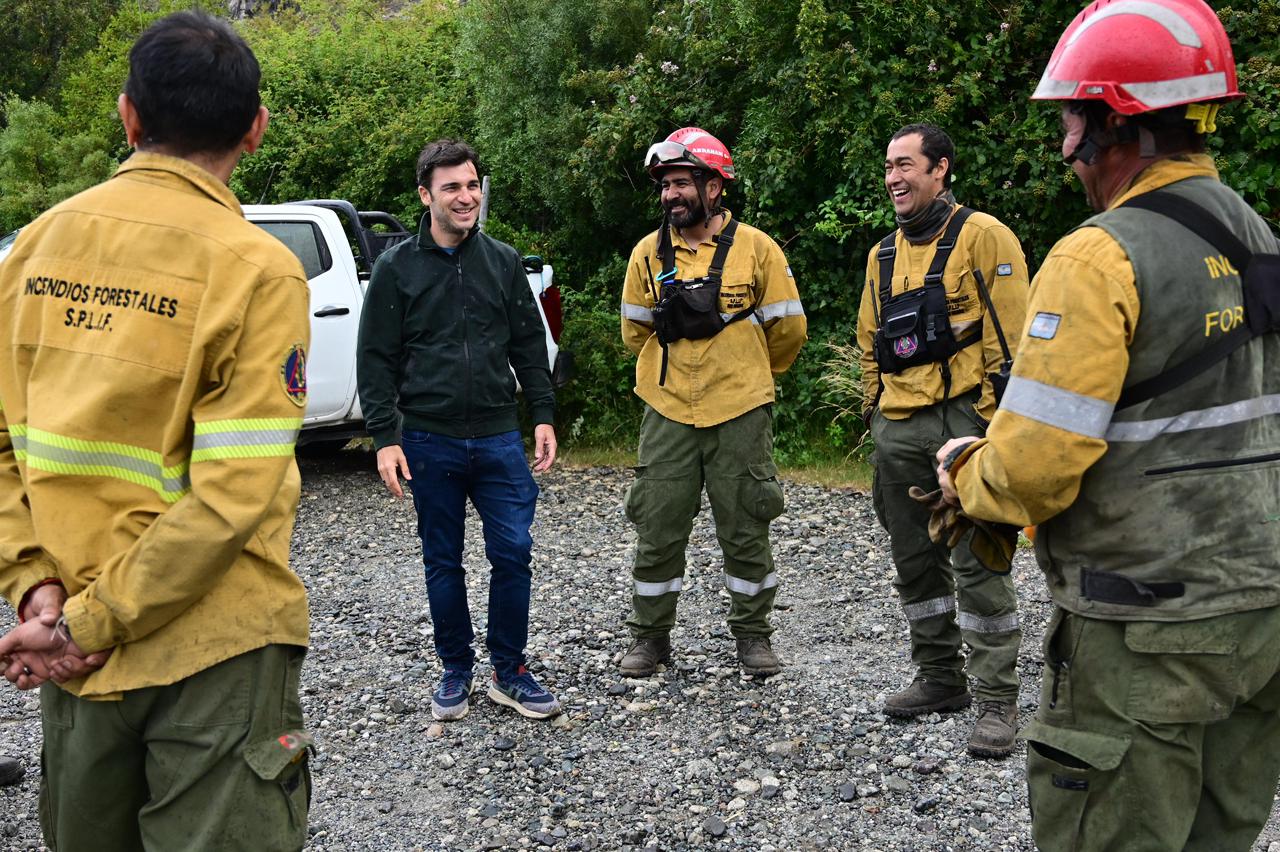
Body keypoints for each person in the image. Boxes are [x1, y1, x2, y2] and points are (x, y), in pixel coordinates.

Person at [935, 0, 1280, 847]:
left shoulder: (1098, 255)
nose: (1064, 147)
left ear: (1115, 126)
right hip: (1262, 616)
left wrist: (964, 471)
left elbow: (1035, 468)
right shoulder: (1259, 239)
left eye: (1071, 121)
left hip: (1144, 624)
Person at [0, 11, 312, 850]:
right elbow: (230, 495)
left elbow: (2, 446)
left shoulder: (34, 248)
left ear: (128, 115)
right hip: (214, 645)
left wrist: (39, 591)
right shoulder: (259, 270)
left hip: (74, 646)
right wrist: (83, 628)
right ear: (255, 129)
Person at [357, 139, 561, 722]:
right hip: (428, 437)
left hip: (499, 436)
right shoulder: (397, 268)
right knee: (442, 560)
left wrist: (542, 415)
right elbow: (375, 359)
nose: (466, 196)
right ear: (426, 196)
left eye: (472, 185)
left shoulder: (501, 259)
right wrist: (385, 437)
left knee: (514, 554)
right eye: (452, 187)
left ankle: (510, 671)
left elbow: (527, 344)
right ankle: (455, 668)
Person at [855, 123, 1029, 757]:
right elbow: (869, 341)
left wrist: (988, 429)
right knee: (913, 560)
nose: (894, 178)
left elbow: (1013, 343)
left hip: (965, 423)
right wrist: (879, 415)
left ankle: (995, 699)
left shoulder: (985, 238)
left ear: (941, 170)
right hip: (899, 427)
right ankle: (938, 678)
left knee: (978, 560)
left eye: (907, 165)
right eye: (889, 167)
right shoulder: (881, 254)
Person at [618, 127, 807, 678]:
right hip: (668, 409)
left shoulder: (758, 249)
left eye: (681, 183)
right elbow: (635, 332)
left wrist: (747, 374)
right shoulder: (647, 255)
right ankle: (650, 639)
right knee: (657, 526)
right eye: (665, 186)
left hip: (741, 412)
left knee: (746, 525)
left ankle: (753, 637)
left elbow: (789, 330)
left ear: (715, 186)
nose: (670, 195)